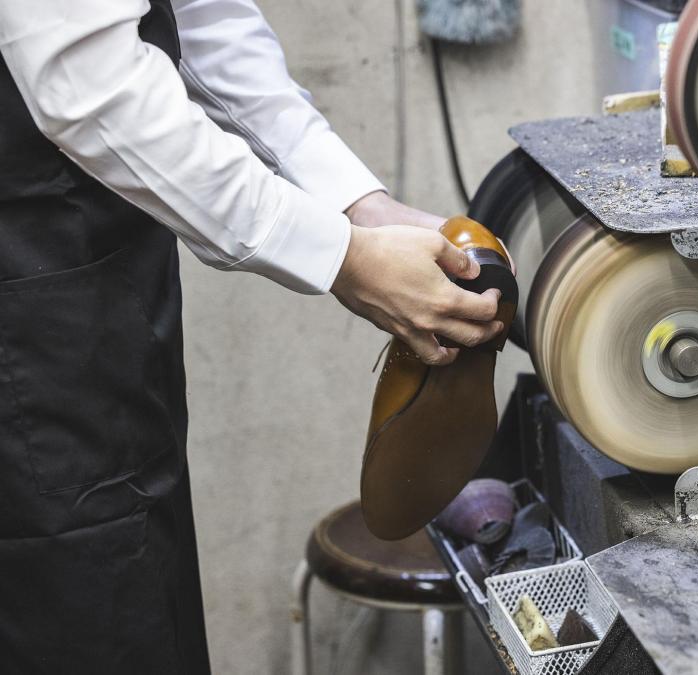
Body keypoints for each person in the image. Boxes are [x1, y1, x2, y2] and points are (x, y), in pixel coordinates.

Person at [0, 0, 505, 672]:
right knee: (89, 612)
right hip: (28, 299)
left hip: (102, 280)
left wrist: (357, 202)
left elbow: (200, 18)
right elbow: (87, 82)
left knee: (142, 577)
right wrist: (342, 256)